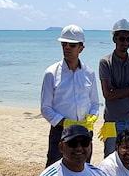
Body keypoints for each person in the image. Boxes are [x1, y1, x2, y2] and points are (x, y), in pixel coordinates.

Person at [40, 24, 100, 167]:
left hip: (84, 131)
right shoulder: (51, 73)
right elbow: (45, 108)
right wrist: (64, 122)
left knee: (83, 169)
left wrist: (92, 117)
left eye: (72, 45)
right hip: (60, 132)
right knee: (55, 168)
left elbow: (95, 103)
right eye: (64, 44)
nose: (67, 47)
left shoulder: (89, 73)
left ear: (81, 48)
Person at [98, 18, 129, 157]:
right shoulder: (105, 62)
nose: (125, 42)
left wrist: (118, 92)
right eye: (121, 39)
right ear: (114, 39)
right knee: (110, 158)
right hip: (111, 121)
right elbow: (107, 95)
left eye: (128, 39)